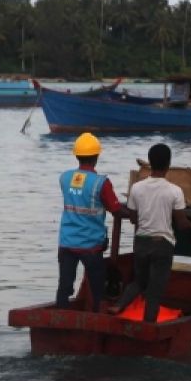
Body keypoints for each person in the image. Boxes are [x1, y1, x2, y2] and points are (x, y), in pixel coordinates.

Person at [113, 143, 191, 322]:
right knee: (155, 291)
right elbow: (182, 223)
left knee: (140, 282)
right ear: (168, 164)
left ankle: (119, 305)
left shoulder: (137, 188)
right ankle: (148, 328)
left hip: (140, 242)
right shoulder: (174, 191)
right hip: (162, 245)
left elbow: (133, 218)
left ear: (150, 162)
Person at [56, 132, 134, 311]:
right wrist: (135, 213)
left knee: (64, 286)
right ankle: (96, 315)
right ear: (96, 157)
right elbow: (116, 210)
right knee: (97, 286)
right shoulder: (101, 183)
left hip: (67, 242)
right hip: (90, 244)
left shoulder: (65, 178)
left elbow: (78, 196)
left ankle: (60, 316)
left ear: (76, 155)